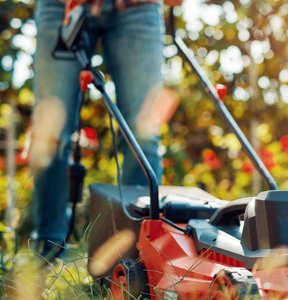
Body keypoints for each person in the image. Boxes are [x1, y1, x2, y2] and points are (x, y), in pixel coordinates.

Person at [32, 0, 167, 259]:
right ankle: (47, 254)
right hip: (61, 7)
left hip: (137, 7)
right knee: (51, 132)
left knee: (143, 133)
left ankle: (139, 257)